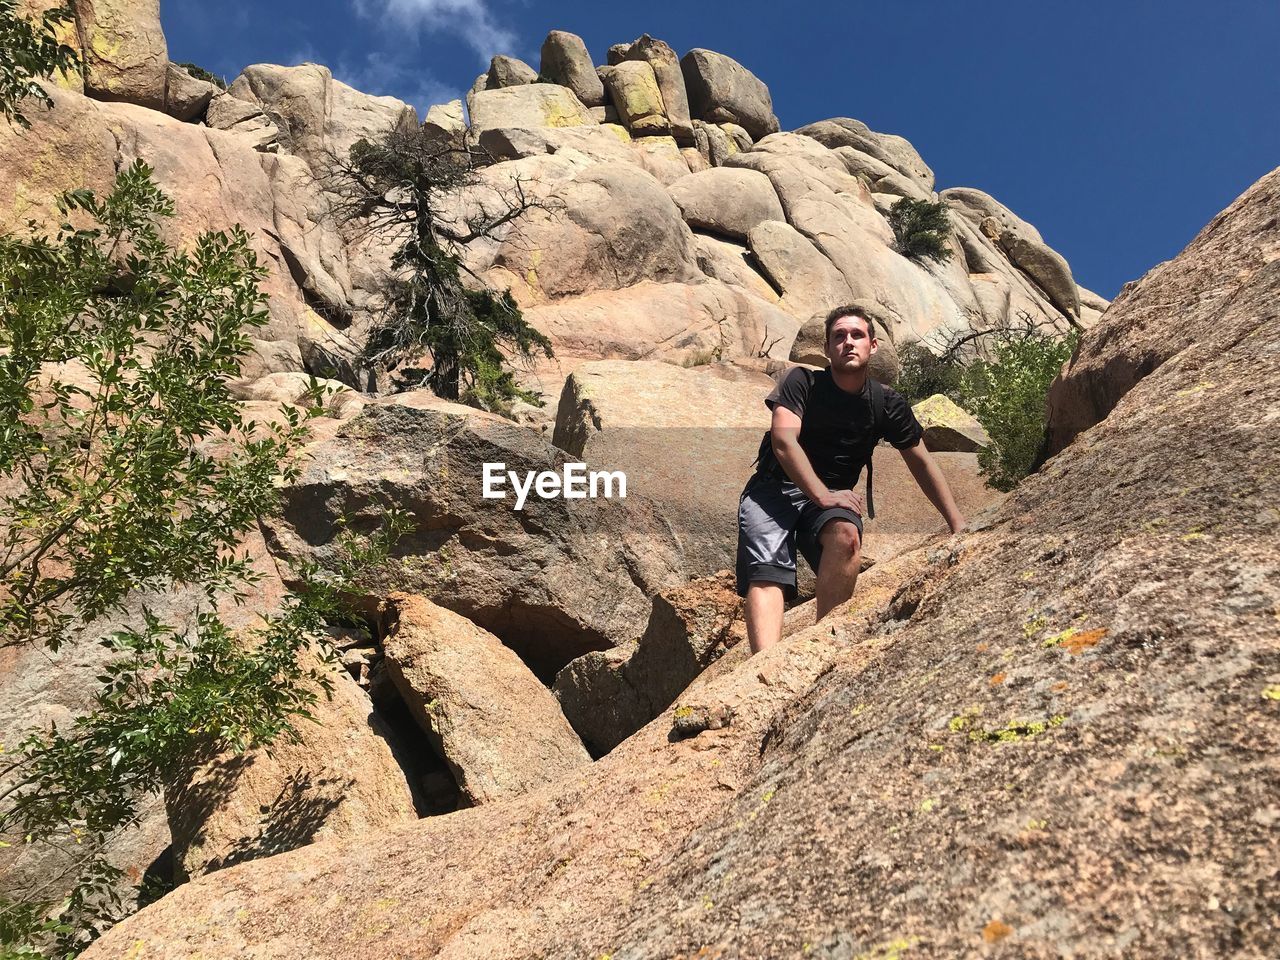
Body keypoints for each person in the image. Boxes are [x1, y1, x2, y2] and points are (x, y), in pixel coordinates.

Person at [736, 305, 966, 654]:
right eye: (838, 336)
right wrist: (823, 496)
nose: (848, 342)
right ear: (827, 349)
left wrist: (956, 523)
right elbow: (784, 442)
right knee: (767, 572)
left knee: (847, 537)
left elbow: (921, 463)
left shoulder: (886, 403)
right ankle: (765, 664)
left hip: (830, 497)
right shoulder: (802, 381)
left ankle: (822, 646)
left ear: (873, 346)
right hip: (774, 490)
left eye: (857, 335)